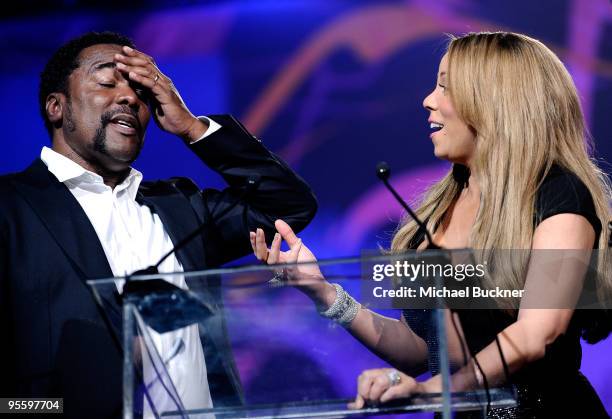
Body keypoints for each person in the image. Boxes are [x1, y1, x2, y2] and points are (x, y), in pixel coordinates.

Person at [251, 31, 611, 417]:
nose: (428, 100)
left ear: (495, 102)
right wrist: (323, 293)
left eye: (446, 88)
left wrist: (433, 392)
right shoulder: (439, 209)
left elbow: (536, 333)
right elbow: (422, 347)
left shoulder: (559, 194)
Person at [0, 31, 317, 418]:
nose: (131, 97)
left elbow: (289, 204)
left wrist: (191, 127)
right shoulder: (11, 208)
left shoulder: (180, 206)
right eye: (106, 81)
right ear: (56, 107)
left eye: (141, 90)